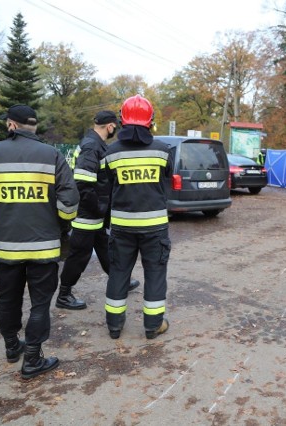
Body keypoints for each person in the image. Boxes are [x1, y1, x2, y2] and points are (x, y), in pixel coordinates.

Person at [0, 105, 79, 379]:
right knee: (40, 304)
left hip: (6, 246)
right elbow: (70, 202)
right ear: (34, 126)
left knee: (8, 299)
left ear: (11, 125)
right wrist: (60, 224)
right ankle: (32, 358)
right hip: (45, 246)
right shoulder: (52, 155)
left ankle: (11, 347)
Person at [104, 95, 172, 340]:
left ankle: (114, 325)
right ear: (150, 120)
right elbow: (167, 182)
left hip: (122, 226)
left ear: (122, 120)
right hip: (154, 227)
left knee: (119, 272)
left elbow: (106, 188)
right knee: (155, 273)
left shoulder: (110, 153)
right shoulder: (163, 151)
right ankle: (153, 325)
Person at [57, 111, 139, 310]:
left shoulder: (95, 144)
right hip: (87, 214)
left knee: (105, 249)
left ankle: (121, 281)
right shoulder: (92, 146)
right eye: (114, 127)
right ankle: (64, 295)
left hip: (95, 213)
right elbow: (83, 184)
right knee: (79, 255)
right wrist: (99, 208)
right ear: (109, 126)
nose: (115, 130)